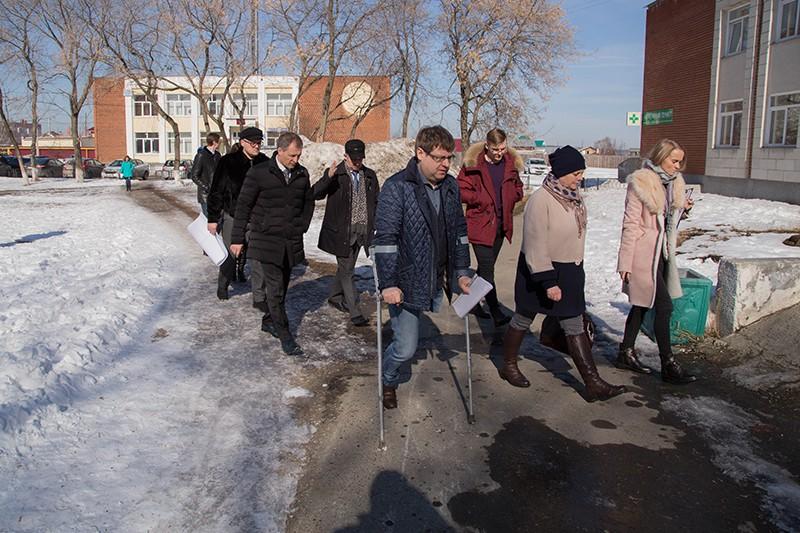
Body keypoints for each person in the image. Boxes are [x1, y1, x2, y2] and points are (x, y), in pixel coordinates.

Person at [501, 145, 627, 402]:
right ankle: (509, 365)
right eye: (576, 173)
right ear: (560, 172)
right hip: (540, 272)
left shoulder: (574, 197)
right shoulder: (541, 200)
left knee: (573, 323)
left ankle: (593, 383)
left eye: (581, 172)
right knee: (523, 318)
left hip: (569, 271)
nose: (579, 177)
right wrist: (548, 281)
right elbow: (536, 243)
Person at [373, 126, 472, 410]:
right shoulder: (397, 187)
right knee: (405, 348)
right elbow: (387, 240)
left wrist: (462, 271)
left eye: (449, 158)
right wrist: (388, 284)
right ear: (420, 153)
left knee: (410, 343)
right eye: (439, 158)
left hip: (436, 275)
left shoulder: (451, 187)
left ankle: (391, 373)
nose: (446, 164)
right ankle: (389, 377)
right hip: (404, 280)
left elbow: (459, 232)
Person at [616, 138, 697, 384]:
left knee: (641, 305)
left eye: (680, 162)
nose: (677, 166)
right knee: (664, 307)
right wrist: (625, 263)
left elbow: (669, 223)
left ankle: (625, 352)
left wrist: (684, 209)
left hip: (662, 254)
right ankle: (668, 364)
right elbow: (630, 225)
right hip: (642, 255)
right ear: (661, 157)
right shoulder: (641, 182)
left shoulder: (674, 183)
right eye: (674, 161)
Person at [231, 132, 314, 356]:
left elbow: (308, 202)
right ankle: (286, 336)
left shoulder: (301, 174)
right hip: (266, 240)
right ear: (280, 151)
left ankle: (269, 320)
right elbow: (243, 206)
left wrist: (302, 226)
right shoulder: (259, 173)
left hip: (290, 241)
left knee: (282, 287)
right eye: (292, 156)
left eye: (298, 156)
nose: (295, 160)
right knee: (276, 290)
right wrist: (237, 238)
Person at [457, 128, 524, 327]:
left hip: (501, 226)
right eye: (495, 149)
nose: (499, 153)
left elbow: (518, 187)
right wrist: (479, 198)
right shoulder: (473, 164)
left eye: (503, 148)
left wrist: (514, 196)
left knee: (487, 268)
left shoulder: (509, 164)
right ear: (487, 146)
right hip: (480, 225)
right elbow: (460, 189)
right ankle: (495, 311)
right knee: (488, 271)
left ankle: (473, 302)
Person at [312, 139, 380, 327]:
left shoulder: (370, 176)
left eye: (360, 158)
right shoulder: (337, 174)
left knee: (346, 267)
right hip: (341, 232)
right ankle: (355, 311)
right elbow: (315, 193)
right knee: (348, 270)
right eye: (354, 159)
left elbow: (376, 202)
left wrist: (376, 225)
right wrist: (328, 177)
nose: (358, 162)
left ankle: (334, 296)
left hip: (362, 231)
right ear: (345, 156)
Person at [206, 127, 268, 302]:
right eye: (253, 143)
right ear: (242, 143)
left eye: (259, 143)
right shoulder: (228, 162)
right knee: (231, 254)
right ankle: (223, 285)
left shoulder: (264, 162)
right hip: (233, 215)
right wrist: (213, 218)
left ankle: (260, 294)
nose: (257, 146)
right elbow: (216, 190)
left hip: (257, 217)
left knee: (257, 256)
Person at [190, 132, 221, 217]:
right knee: (209, 221)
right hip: (206, 195)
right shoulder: (201, 155)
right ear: (214, 142)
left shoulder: (217, 155)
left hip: (217, 195)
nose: (220, 143)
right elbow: (194, 176)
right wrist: (206, 187)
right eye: (219, 141)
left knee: (218, 221)